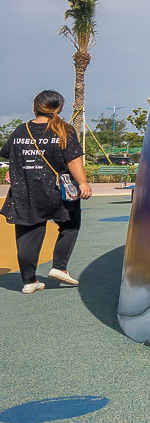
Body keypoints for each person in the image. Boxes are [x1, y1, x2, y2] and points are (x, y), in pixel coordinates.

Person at [0, 90, 92, 293]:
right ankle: (59, 267)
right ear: (59, 108)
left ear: (34, 107)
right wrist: (83, 182)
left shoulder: (20, 130)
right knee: (70, 225)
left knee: (27, 235)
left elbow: (7, 153)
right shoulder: (64, 130)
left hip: (25, 192)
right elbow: (73, 158)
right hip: (57, 191)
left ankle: (29, 281)